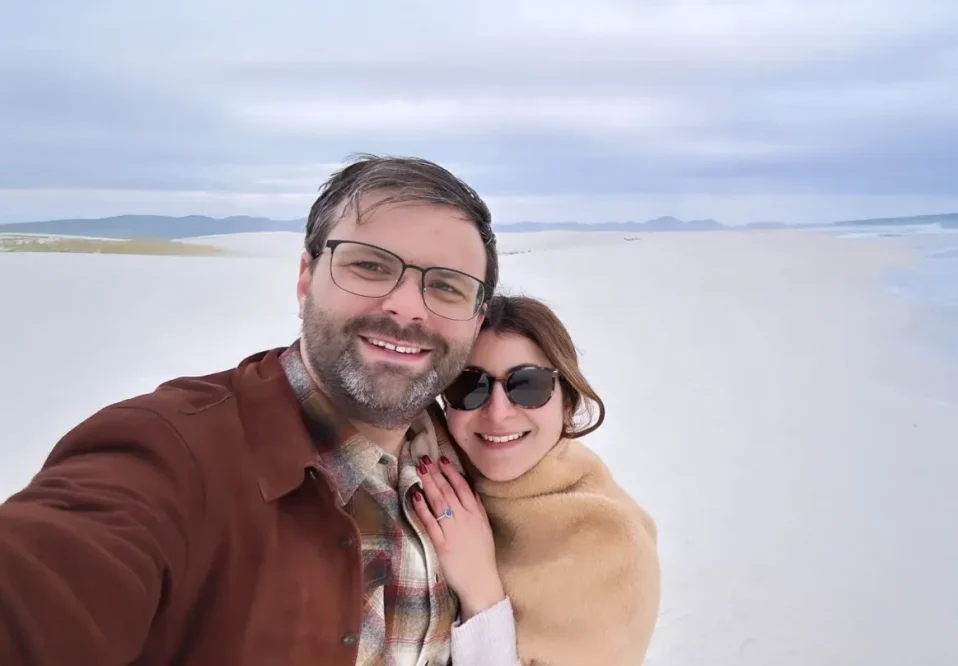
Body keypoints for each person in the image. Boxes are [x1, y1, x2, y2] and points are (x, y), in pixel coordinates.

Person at [0, 154, 516, 666]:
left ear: (474, 322)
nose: (407, 307)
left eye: (446, 286)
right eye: (370, 266)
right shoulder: (172, 453)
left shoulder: (477, 457)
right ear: (305, 280)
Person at [411, 294, 661, 666]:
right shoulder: (428, 466)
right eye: (469, 386)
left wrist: (481, 589)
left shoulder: (611, 541)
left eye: (527, 385)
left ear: (567, 403)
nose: (498, 413)